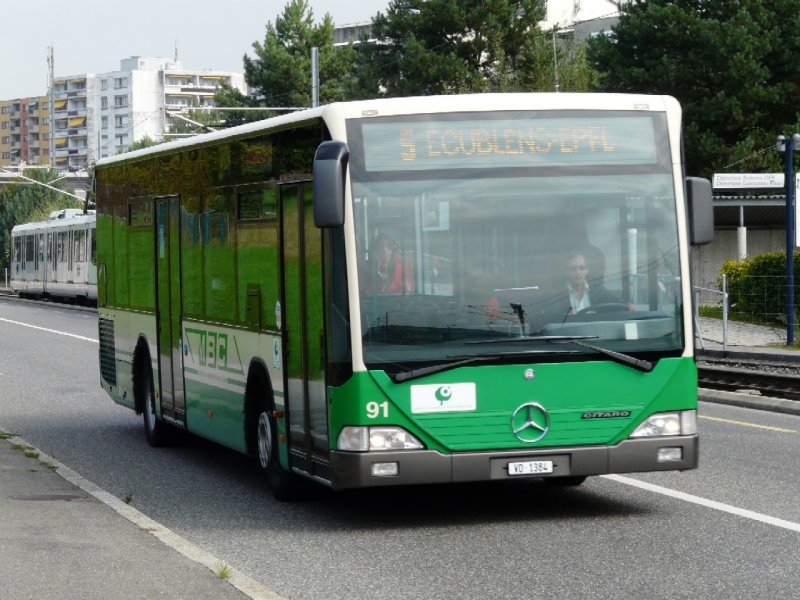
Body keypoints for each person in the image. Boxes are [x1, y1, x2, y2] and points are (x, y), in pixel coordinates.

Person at [562, 250, 628, 315]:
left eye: (582, 268)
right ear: (566, 272)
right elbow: (553, 314)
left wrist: (629, 307)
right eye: (573, 269)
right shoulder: (558, 294)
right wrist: (564, 316)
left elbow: (619, 304)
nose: (578, 273)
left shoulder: (598, 291)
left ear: (587, 270)